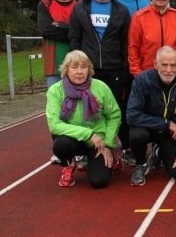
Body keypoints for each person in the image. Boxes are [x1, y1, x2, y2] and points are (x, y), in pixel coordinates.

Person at [69, 0, 131, 154]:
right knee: (89, 109)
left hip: (115, 69)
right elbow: (75, 39)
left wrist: (124, 68)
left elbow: (125, 42)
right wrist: (79, 67)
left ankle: (125, 147)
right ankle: (88, 149)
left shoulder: (121, 10)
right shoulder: (80, 9)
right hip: (89, 70)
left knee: (116, 109)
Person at [45, 50, 121, 188]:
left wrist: (109, 144)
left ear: (89, 69)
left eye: (83, 67)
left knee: (99, 182)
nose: (79, 71)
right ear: (66, 69)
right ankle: (69, 163)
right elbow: (54, 125)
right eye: (74, 67)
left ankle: (109, 158)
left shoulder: (101, 87)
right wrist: (88, 134)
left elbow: (114, 116)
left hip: (99, 142)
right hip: (74, 139)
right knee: (60, 144)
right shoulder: (55, 91)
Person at [126, 46, 176, 186]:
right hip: (147, 129)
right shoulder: (142, 80)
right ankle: (140, 164)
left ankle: (158, 152)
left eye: (173, 65)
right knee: (136, 135)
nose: (169, 70)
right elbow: (132, 116)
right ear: (156, 64)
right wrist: (165, 123)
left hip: (168, 133)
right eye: (164, 65)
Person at [128, 0, 176, 77]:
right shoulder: (139, 17)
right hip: (146, 73)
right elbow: (133, 48)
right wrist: (137, 73)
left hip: (172, 73)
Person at [38, 0, 79, 88]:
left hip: (77, 58)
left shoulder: (80, 4)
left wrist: (59, 26)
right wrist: (71, 29)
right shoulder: (45, 4)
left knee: (78, 99)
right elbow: (46, 30)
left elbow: (83, 30)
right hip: (53, 61)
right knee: (55, 99)